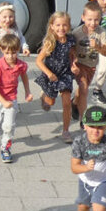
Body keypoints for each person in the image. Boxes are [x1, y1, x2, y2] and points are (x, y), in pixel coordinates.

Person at [0, 33, 33, 163]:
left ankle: (5, 148)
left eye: (13, 53)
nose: (10, 56)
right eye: (7, 53)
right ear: (2, 51)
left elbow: (24, 76)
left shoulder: (21, 65)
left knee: (9, 126)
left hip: (11, 98)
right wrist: (3, 101)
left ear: (17, 51)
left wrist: (27, 92)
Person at [34, 11, 78, 143]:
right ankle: (44, 96)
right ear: (52, 26)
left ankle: (65, 131)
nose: (61, 28)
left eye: (64, 25)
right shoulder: (50, 42)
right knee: (50, 103)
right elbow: (38, 61)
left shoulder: (70, 40)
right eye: (58, 25)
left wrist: (74, 64)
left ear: (69, 26)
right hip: (51, 74)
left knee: (66, 103)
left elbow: (72, 54)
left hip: (65, 75)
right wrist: (48, 74)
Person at [72, 0, 106, 122]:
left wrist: (98, 47)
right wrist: (73, 62)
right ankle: (84, 120)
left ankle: (74, 102)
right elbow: (70, 49)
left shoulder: (102, 33)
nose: (93, 23)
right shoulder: (77, 33)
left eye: (96, 20)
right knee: (84, 90)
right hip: (79, 65)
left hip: (91, 66)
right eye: (89, 19)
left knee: (82, 90)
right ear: (83, 18)